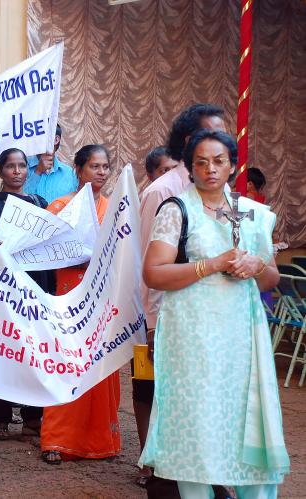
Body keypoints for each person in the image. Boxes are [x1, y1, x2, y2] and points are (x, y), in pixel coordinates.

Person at [140, 129, 289, 497]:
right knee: (198, 425)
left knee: (247, 419)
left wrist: (256, 266)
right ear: (190, 167)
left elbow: (271, 278)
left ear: (233, 165)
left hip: (242, 341)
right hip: (193, 341)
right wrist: (212, 264)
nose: (210, 169)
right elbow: (153, 273)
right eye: (201, 162)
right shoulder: (177, 210)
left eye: (219, 161)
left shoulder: (252, 213)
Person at [136, 103, 226, 487]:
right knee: (152, 389)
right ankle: (154, 466)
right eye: (212, 134)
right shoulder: (162, 192)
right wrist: (154, 326)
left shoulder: (221, 191)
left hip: (209, 320)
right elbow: (149, 267)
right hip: (164, 316)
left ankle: (203, 467)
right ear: (190, 141)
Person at [40, 144, 116, 464]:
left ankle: (101, 441)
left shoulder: (114, 208)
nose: (101, 172)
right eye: (94, 167)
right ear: (79, 170)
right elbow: (43, 246)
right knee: (67, 366)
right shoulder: (62, 206)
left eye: (105, 167)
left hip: (101, 300)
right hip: (69, 296)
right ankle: (57, 441)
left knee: (100, 369)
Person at [0, 148, 51, 442]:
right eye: (11, 166)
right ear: (2, 171)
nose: (17, 171)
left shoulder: (39, 203)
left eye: (21, 166)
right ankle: (1, 418)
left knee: (33, 351)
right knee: (3, 349)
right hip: (2, 291)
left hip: (34, 286)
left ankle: (33, 417)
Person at [23, 123, 78, 204]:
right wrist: (37, 172)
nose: (36, 139)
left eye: (41, 135)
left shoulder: (70, 174)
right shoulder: (21, 167)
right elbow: (17, 201)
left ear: (56, 140)